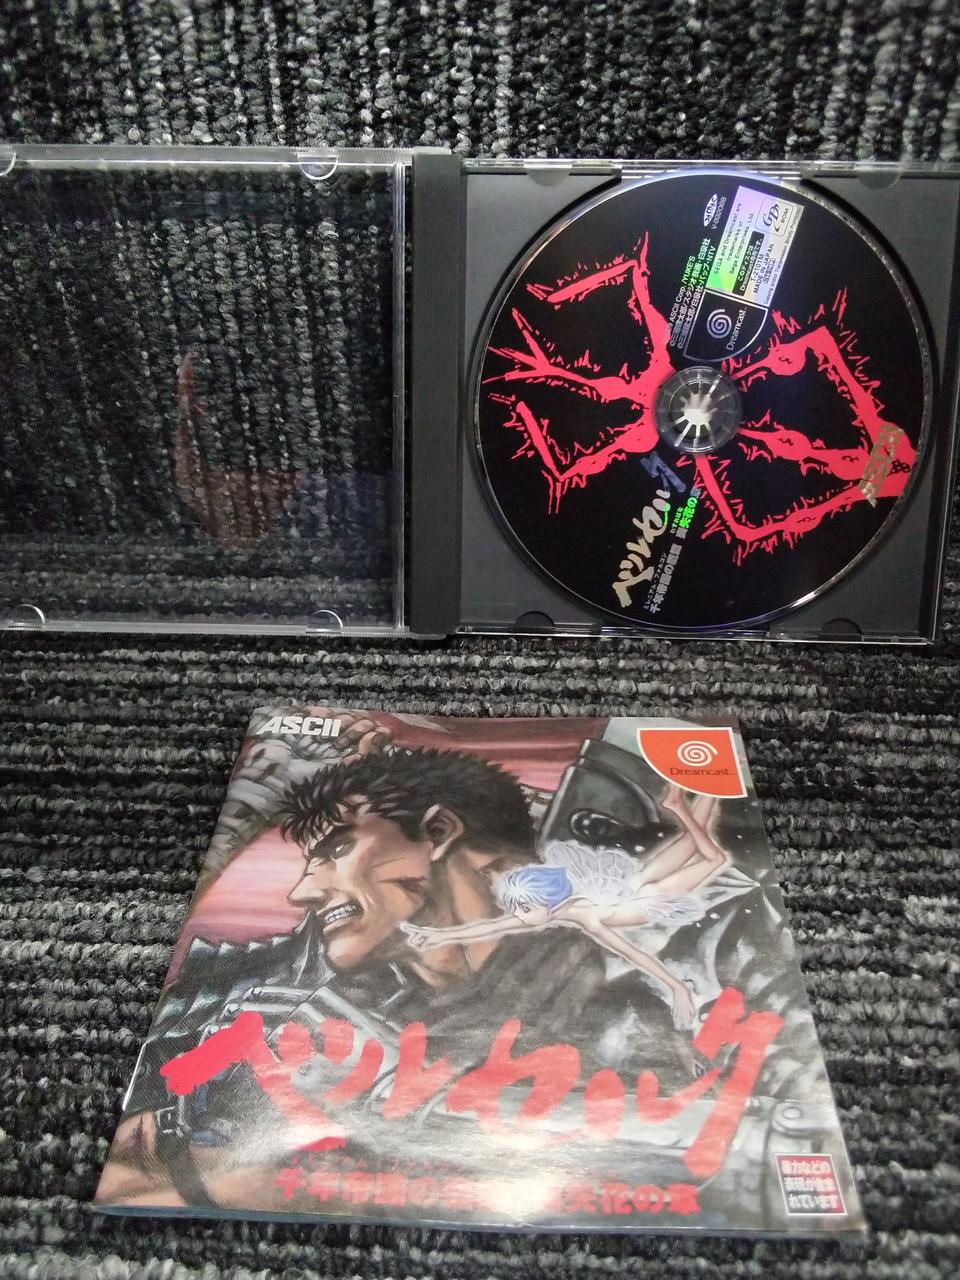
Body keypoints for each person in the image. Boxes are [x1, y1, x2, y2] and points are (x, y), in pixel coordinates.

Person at [96, 718, 706, 1211]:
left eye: (335, 850)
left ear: (438, 831)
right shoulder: (294, 986)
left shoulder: (629, 980)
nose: (302, 892)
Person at [401, 785, 731, 1028]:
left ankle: (683, 804)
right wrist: (437, 936)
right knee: (692, 843)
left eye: (524, 908)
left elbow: (637, 955)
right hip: (634, 886)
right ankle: (705, 791)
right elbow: (489, 927)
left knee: (714, 858)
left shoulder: (586, 918)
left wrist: (678, 989)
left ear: (542, 901)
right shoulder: (551, 912)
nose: (519, 917)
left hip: (647, 896)